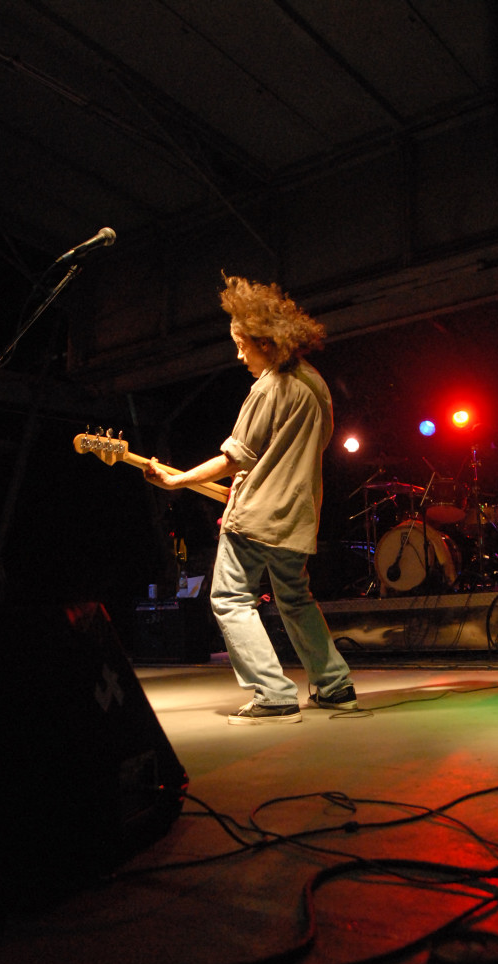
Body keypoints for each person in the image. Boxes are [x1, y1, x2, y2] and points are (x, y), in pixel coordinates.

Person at [145, 274, 357, 724]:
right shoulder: (315, 383)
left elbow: (234, 458)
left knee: (230, 599)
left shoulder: (269, 387)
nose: (239, 355)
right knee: (295, 598)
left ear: (265, 341)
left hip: (256, 517)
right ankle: (335, 686)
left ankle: (273, 694)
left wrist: (178, 481)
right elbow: (305, 449)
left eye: (242, 345)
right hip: (298, 515)